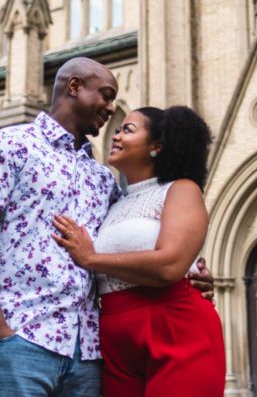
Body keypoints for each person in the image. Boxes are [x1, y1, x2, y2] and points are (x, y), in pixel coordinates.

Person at [0, 57, 214, 397]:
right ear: (74, 87)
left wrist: (190, 275)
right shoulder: (10, 144)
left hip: (89, 354)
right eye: (105, 95)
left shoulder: (103, 179)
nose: (111, 108)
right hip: (20, 337)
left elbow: (135, 239)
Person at [52, 106, 225, 397]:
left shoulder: (181, 190)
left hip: (175, 328)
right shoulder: (113, 203)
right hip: (114, 340)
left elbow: (170, 265)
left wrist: (91, 258)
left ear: (156, 146)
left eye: (127, 130)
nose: (116, 136)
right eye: (118, 129)